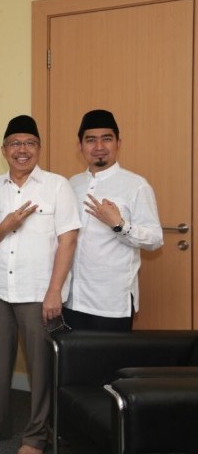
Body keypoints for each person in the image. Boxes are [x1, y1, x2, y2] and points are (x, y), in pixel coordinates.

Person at [0, 115, 80, 454]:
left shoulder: (56, 185)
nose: (22, 150)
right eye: (15, 144)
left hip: (39, 292)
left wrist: (55, 291)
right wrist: (7, 225)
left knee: (40, 369)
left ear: (39, 148)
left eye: (29, 143)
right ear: (4, 150)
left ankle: (36, 435)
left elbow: (68, 240)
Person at [64, 109, 163, 331]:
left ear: (118, 142)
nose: (99, 147)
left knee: (111, 365)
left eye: (106, 139)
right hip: (72, 298)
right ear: (80, 146)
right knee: (74, 364)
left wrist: (119, 225)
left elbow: (155, 239)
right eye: (91, 140)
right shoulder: (72, 184)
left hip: (112, 302)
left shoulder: (136, 185)